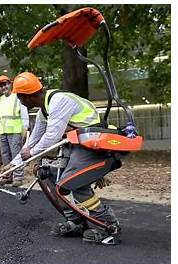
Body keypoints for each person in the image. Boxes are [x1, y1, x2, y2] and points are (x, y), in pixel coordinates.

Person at [8, 72, 121, 245]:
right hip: (76, 143)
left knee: (73, 182)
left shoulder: (59, 101)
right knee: (49, 172)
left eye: (20, 98)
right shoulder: (43, 111)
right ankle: (75, 221)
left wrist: (32, 154)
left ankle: (108, 224)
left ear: (28, 96)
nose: (20, 102)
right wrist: (14, 163)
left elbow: (52, 136)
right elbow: (34, 140)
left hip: (92, 142)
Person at [0, 75, 30, 187]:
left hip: (16, 131)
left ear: (10, 84)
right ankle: (8, 176)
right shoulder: (0, 100)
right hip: (3, 132)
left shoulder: (17, 97)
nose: (3, 87)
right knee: (5, 156)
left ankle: (18, 177)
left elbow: (24, 115)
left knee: (16, 154)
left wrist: (25, 128)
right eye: (1, 86)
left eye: (5, 84)